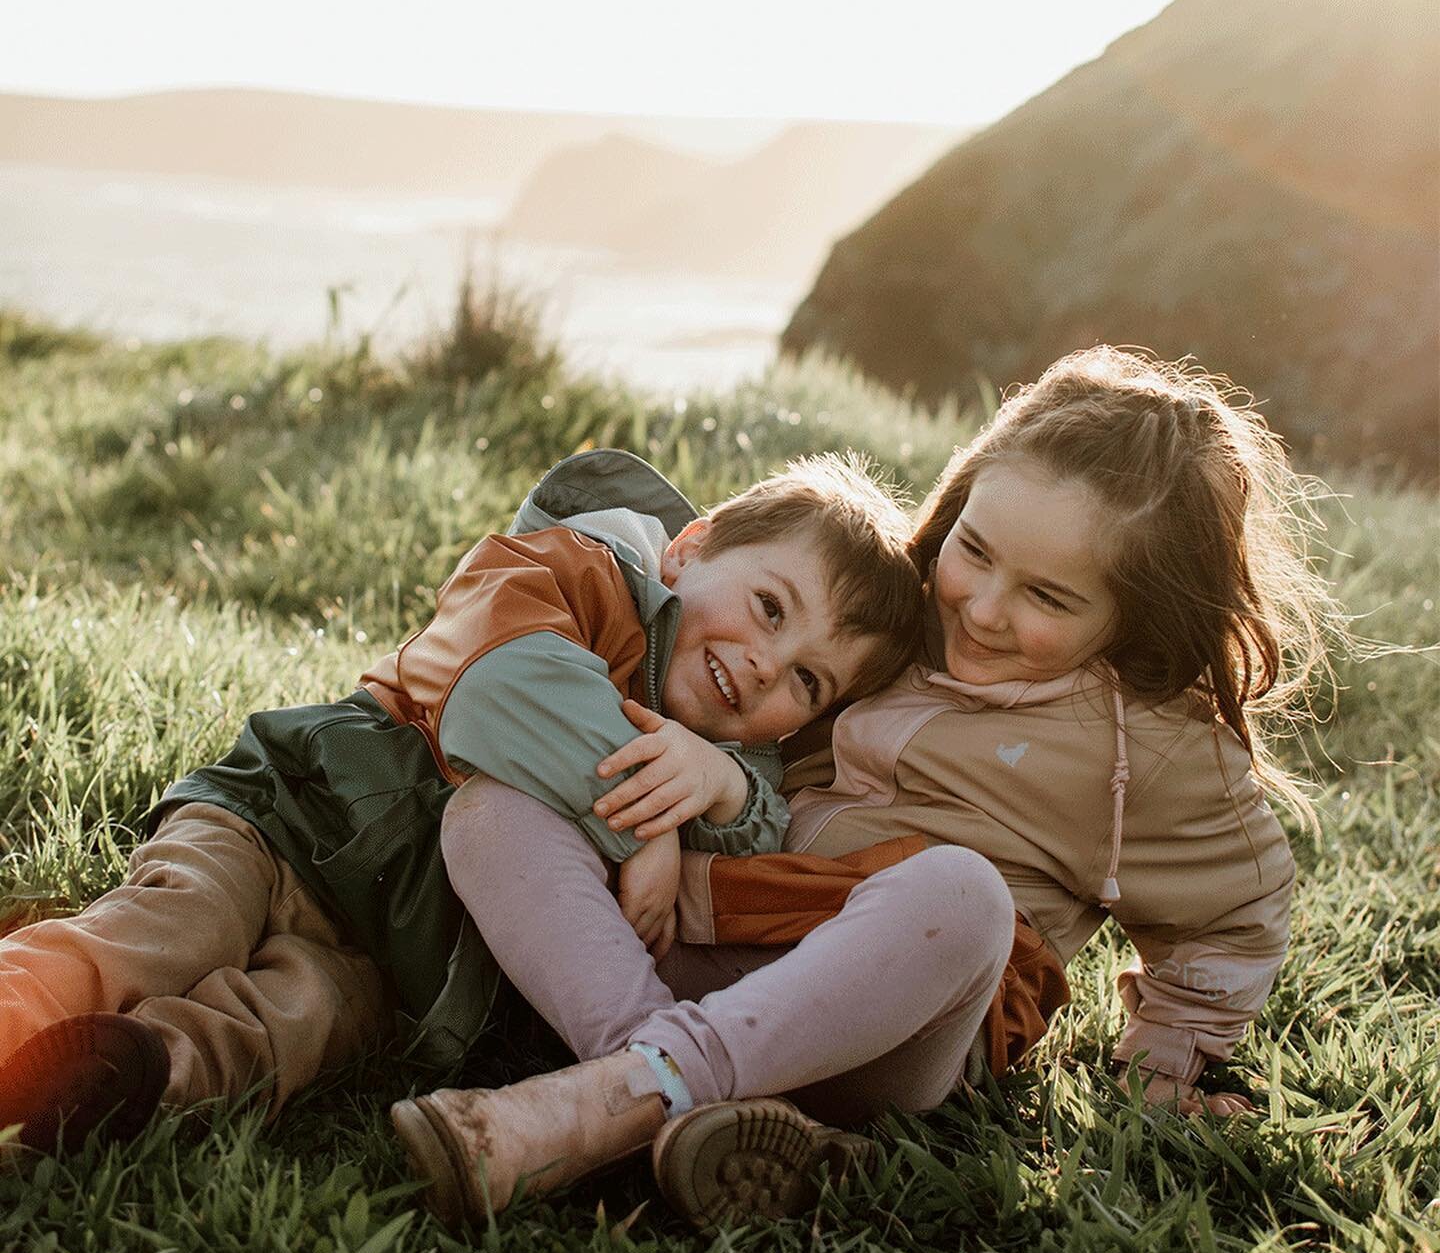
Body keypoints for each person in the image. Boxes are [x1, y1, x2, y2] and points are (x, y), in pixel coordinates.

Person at [396, 347, 1342, 1231]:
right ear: (960, 501)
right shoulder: (889, 623)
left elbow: (1240, 905)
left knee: (961, 892)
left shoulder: (1156, 747)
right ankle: (662, 1082)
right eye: (975, 551)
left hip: (895, 1015)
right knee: (494, 810)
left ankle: (599, 1104)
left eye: (1048, 598)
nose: (982, 605)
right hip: (704, 938)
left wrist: (1167, 1067)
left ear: (1135, 610)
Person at [0, 448, 923, 1152]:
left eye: (807, 682)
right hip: (286, 819)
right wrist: (648, 825)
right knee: (176, 924)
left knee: (301, 1024)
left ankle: (136, 1073)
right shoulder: (569, 574)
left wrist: (717, 789)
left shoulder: (730, 768)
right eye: (769, 608)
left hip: (406, 960)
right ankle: (20, 1006)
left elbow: (745, 863)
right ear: (690, 551)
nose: (766, 664)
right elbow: (501, 685)